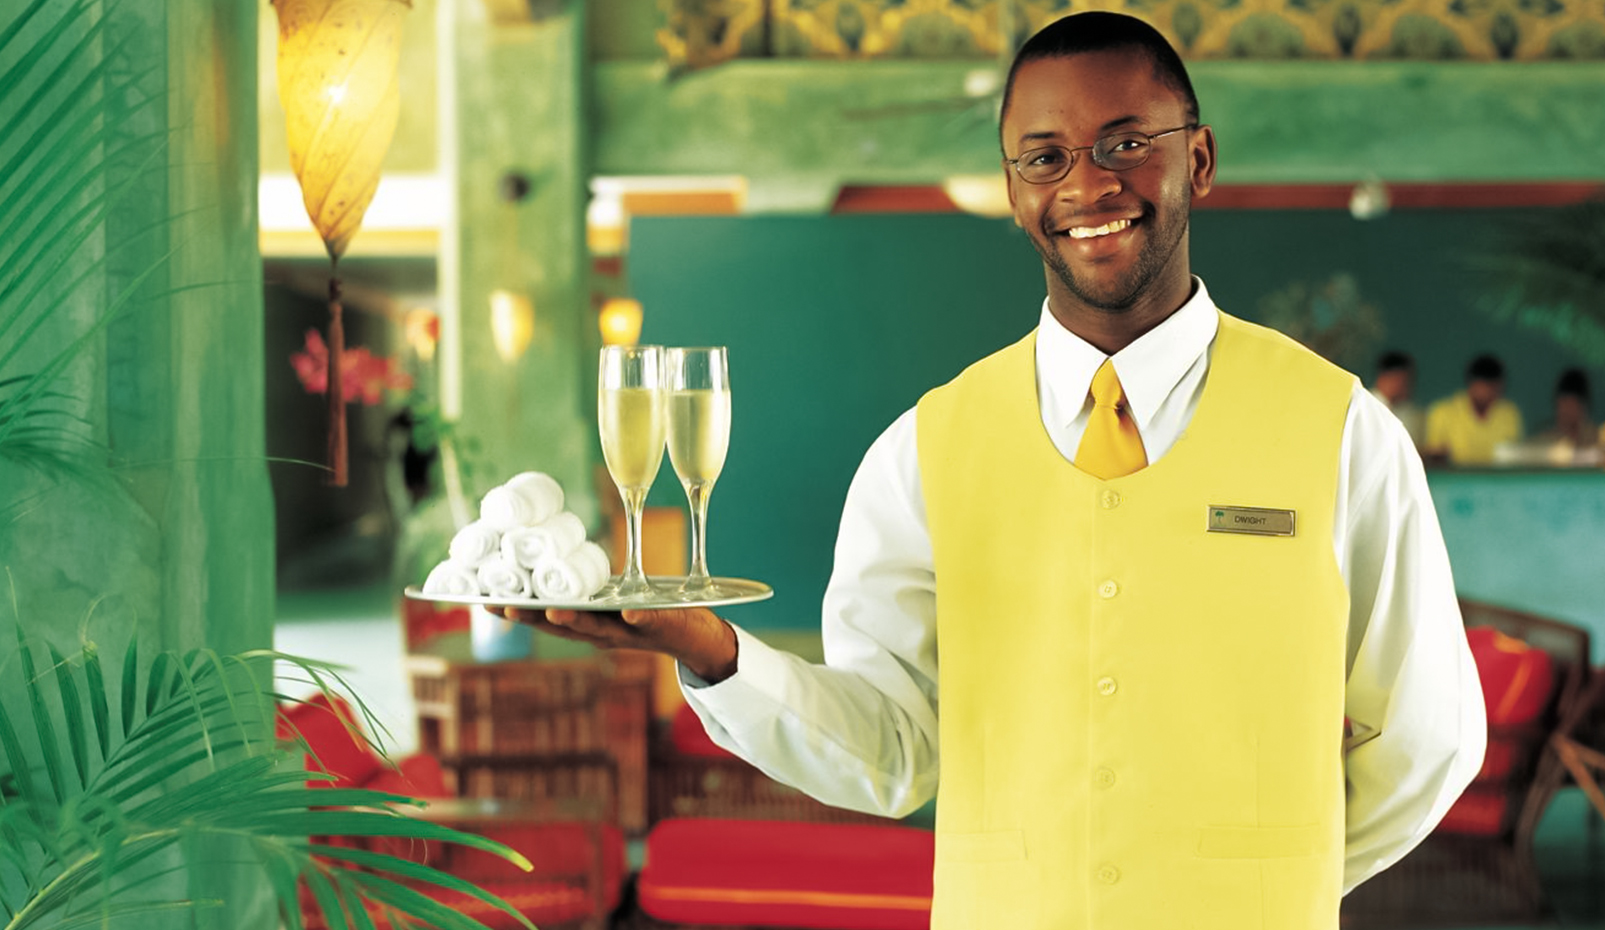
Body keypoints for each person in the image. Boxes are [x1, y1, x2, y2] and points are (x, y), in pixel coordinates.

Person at [505, 13, 1484, 929]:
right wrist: (717, 654)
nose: (1088, 185)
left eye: (1125, 143)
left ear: (1198, 158)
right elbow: (894, 749)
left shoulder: (1342, 432)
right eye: (1045, 157)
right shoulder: (921, 451)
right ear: (1014, 191)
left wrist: (1268, 876)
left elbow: (1425, 738)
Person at [1424, 353, 1523, 465]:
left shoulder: (1509, 413)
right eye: (1485, 386)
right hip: (1453, 476)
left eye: (1494, 388)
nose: (1488, 393)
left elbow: (1512, 455)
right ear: (1471, 383)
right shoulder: (1442, 411)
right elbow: (1434, 456)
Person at [1370, 350, 1425, 450]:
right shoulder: (1365, 405)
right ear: (1385, 377)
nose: (1408, 387)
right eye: (1404, 381)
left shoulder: (1409, 413)